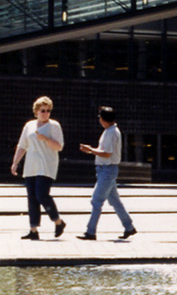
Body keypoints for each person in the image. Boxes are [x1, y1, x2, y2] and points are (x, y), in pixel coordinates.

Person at [78, 106, 136, 241]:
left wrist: (90, 150)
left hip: (107, 170)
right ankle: (129, 227)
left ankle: (91, 232)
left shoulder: (110, 133)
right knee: (115, 201)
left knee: (96, 200)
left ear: (103, 119)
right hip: (108, 170)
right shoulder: (111, 131)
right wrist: (92, 150)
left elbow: (107, 153)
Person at [11, 96, 65, 240]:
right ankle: (33, 230)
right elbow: (22, 145)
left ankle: (58, 221)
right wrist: (15, 162)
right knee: (32, 198)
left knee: (41, 194)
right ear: (36, 111)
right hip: (31, 166)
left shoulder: (54, 126)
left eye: (48, 111)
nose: (46, 113)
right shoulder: (29, 126)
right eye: (43, 111)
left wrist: (46, 139)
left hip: (46, 166)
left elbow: (59, 146)